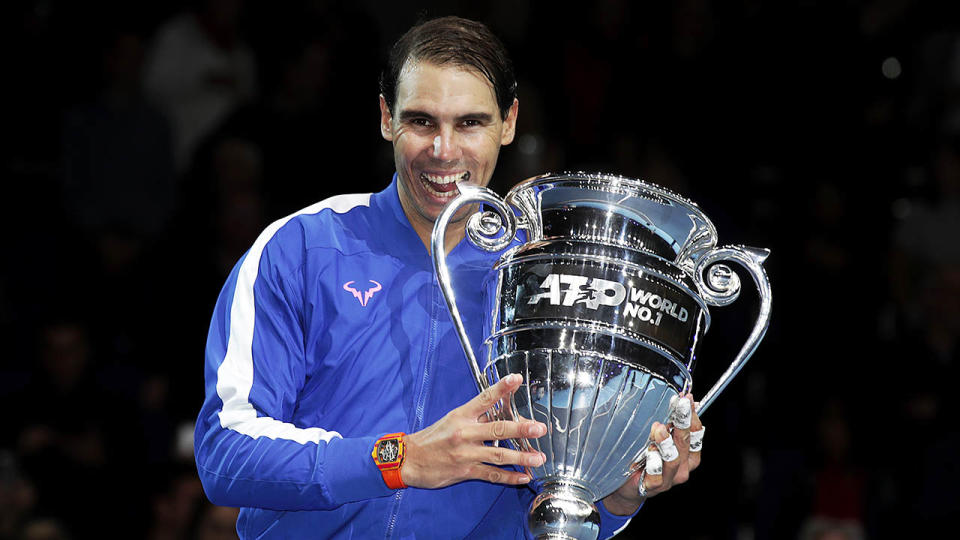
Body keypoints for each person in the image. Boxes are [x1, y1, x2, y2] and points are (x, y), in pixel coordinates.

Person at [195, 16, 703, 539]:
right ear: (386, 117)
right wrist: (402, 459)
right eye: (421, 121)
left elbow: (555, 489)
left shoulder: (544, 278)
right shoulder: (301, 249)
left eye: (470, 123)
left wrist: (619, 493)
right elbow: (224, 453)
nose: (443, 150)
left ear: (508, 123)